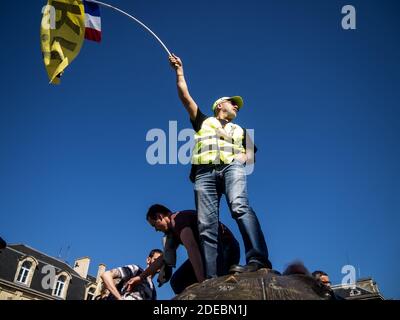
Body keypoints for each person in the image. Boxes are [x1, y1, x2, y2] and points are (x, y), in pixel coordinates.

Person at [168, 54, 272, 278]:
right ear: (219, 106)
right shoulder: (203, 120)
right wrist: (179, 72)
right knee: (206, 225)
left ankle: (257, 260)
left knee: (239, 206)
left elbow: (252, 152)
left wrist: (239, 159)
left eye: (237, 105)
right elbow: (185, 97)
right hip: (204, 172)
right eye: (231, 102)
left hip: (231, 167)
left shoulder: (240, 130)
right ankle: (211, 277)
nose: (236, 105)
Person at [130, 204, 240, 295]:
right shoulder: (173, 231)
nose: (156, 230)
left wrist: (203, 281)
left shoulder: (178, 220)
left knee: (180, 281)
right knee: (177, 281)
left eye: (154, 225)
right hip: (215, 252)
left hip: (225, 249)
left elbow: (192, 248)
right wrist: (141, 277)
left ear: (160, 216)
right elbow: (162, 258)